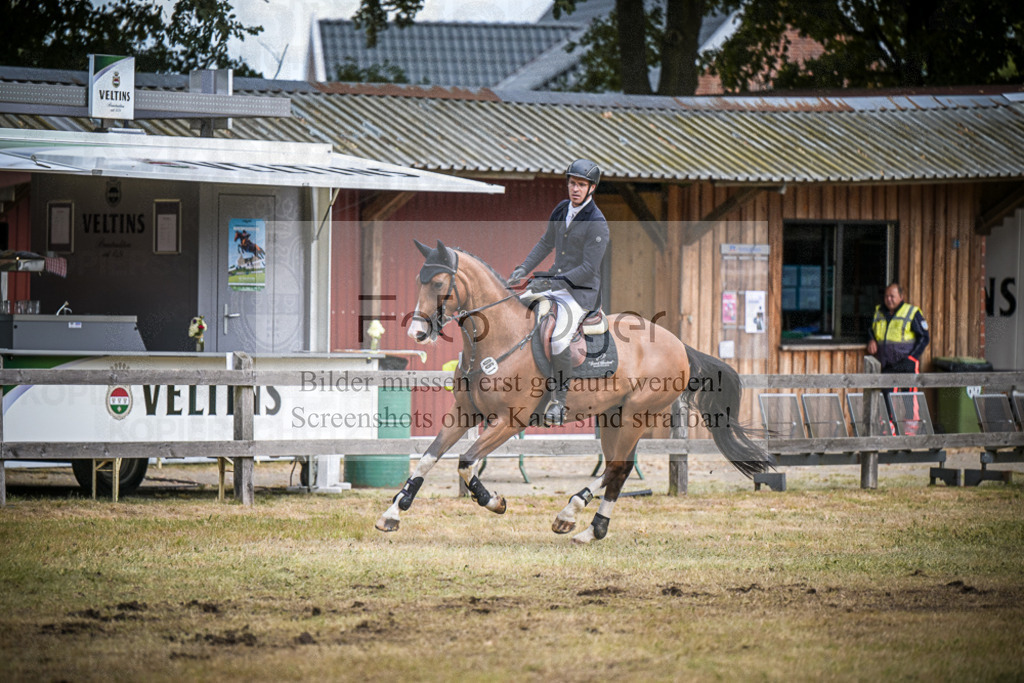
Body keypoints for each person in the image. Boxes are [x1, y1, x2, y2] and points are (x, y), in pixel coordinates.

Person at [508, 159, 609, 426]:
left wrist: (552, 282)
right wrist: (523, 268)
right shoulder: (562, 209)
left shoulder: (597, 223)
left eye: (581, 185)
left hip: (579, 293)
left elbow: (588, 268)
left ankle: (558, 402)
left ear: (592, 188)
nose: (575, 189)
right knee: (515, 310)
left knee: (558, 340)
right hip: (554, 283)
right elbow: (545, 243)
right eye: (572, 183)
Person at [867, 282, 930, 432]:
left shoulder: (911, 312)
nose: (889, 299)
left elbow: (924, 337)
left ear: (901, 297)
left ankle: (911, 433)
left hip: (907, 362)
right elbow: (870, 329)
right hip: (887, 363)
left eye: (892, 296)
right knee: (887, 397)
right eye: (886, 296)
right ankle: (889, 432)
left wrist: (912, 358)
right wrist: (871, 339)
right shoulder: (879, 312)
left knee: (909, 398)